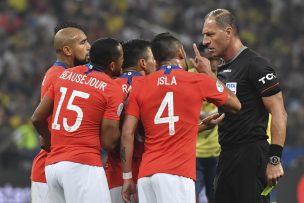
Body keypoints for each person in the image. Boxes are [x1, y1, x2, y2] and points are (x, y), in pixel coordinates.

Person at [120, 32, 241, 203]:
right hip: (177, 173)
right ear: (180, 53)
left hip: (146, 176)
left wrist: (127, 177)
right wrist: (207, 71)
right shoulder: (196, 80)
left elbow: (127, 133)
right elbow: (235, 104)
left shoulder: (140, 84)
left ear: (155, 58)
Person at [195, 8, 288, 203]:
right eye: (204, 35)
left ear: (228, 32)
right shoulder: (223, 68)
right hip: (227, 155)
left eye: (210, 34)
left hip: (251, 155)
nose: (205, 41)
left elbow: (279, 113)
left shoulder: (256, 64)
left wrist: (274, 160)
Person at [31, 37, 125, 203]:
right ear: (112, 65)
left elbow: (37, 117)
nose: (123, 63)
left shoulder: (66, 75)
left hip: (53, 167)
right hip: (82, 165)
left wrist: (50, 140)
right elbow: (108, 143)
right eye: (121, 58)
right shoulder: (112, 89)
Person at [30, 22, 90, 203]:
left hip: (57, 163)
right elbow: (40, 119)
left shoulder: (62, 73)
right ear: (67, 49)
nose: (89, 47)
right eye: (83, 42)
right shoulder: (59, 75)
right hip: (50, 165)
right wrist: (51, 142)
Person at [106, 39, 156, 203]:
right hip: (148, 174)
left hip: (115, 175)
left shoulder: (109, 86)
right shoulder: (153, 86)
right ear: (143, 63)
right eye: (152, 58)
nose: (156, 62)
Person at [191, 43, 223, 203]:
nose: (214, 63)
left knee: (215, 195)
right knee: (191, 195)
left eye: (216, 59)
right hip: (193, 151)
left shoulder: (224, 76)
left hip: (216, 150)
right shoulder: (189, 77)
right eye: (210, 59)